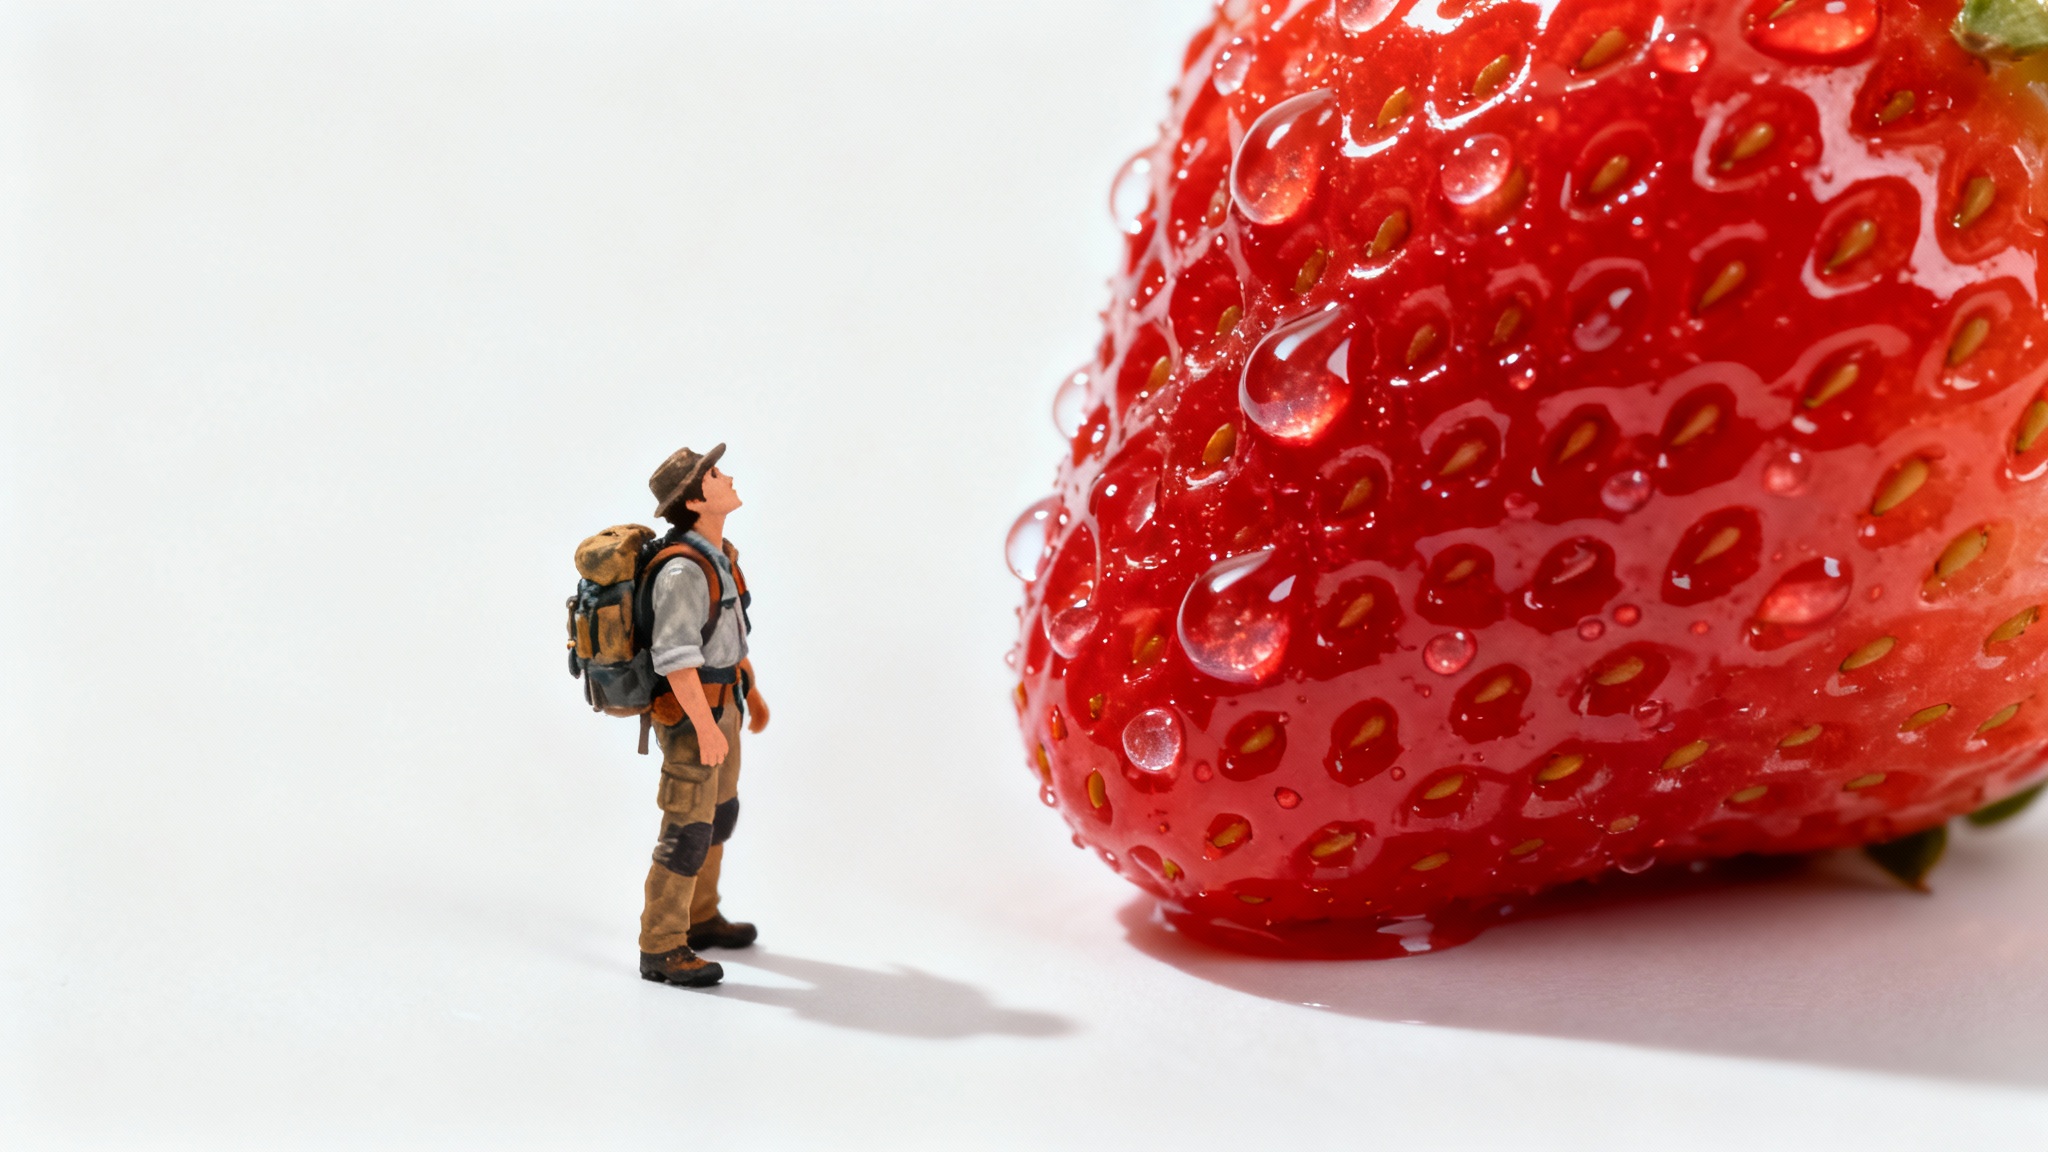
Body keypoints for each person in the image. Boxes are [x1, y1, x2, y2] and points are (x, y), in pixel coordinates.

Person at [636, 443, 770, 988]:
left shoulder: (720, 557)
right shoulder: (682, 573)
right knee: (687, 828)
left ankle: (701, 914)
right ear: (694, 500)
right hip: (696, 715)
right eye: (715, 474)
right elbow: (676, 659)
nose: (728, 476)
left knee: (720, 814)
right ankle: (662, 944)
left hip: (725, 703)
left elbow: (726, 638)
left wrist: (749, 691)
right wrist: (706, 725)